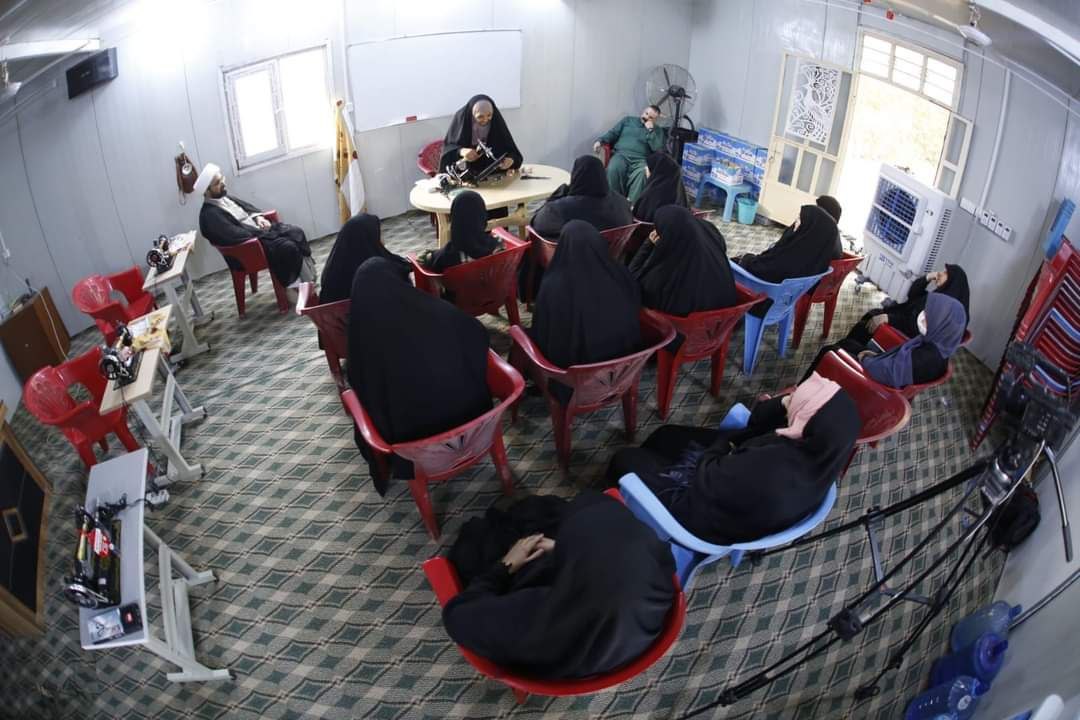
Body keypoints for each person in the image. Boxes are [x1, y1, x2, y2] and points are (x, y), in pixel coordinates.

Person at [442, 491, 676, 680]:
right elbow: (610, 563)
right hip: (614, 643)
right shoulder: (658, 578)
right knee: (553, 513)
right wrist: (567, 549)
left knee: (479, 545)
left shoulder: (533, 620)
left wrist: (505, 566)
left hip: (557, 652)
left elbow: (457, 617)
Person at [606, 373, 860, 545]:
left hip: (698, 513)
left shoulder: (773, 466)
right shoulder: (822, 455)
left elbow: (708, 470)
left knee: (625, 460)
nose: (794, 397)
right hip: (734, 493)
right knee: (667, 435)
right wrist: (784, 403)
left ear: (807, 422)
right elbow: (756, 421)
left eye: (798, 401)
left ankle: (619, 513)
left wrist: (725, 445)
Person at [346, 257, 492, 496]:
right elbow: (478, 335)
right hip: (476, 424)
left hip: (416, 447)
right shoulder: (440, 312)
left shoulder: (362, 349)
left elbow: (367, 397)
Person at [528, 221, 641, 401]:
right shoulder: (620, 274)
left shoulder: (553, 285)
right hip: (624, 369)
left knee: (523, 339)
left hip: (575, 381)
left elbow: (544, 332)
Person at [803, 292, 967, 388]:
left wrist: (865, 358)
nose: (922, 316)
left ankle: (803, 387)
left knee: (829, 351)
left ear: (941, 325)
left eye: (929, 317)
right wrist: (875, 356)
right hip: (885, 368)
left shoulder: (924, 358)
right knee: (848, 344)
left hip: (873, 384)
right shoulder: (939, 347)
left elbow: (885, 373)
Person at [195, 163, 316, 288]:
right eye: (217, 183)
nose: (223, 183)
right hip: (250, 247)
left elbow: (248, 209)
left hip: (260, 233)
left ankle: (309, 278)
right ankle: (296, 286)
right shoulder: (209, 215)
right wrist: (261, 232)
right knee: (288, 247)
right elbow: (234, 235)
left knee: (295, 232)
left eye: (222, 179)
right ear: (207, 191)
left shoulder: (225, 197)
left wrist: (258, 218)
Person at [628, 205, 737, 317]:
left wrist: (648, 245)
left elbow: (630, 279)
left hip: (677, 324)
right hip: (723, 319)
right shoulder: (713, 251)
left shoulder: (662, 276)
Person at [847, 264, 970, 344]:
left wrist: (888, 318)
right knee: (872, 315)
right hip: (903, 322)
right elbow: (913, 294)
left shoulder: (944, 309)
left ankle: (849, 352)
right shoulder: (941, 299)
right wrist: (928, 277)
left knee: (864, 327)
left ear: (953, 282)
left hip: (903, 336)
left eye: (945, 273)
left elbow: (915, 328)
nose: (940, 274)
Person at [529, 155, 633, 239]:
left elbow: (536, 223)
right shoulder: (622, 203)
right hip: (612, 255)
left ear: (575, 176)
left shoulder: (558, 210)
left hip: (572, 257)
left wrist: (558, 195)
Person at [320, 213, 410, 304]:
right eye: (378, 234)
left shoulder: (335, 265)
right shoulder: (374, 269)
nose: (382, 239)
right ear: (368, 237)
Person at [595, 105, 668, 203]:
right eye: (646, 113)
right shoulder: (628, 120)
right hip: (621, 155)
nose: (646, 117)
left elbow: (658, 149)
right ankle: (613, 200)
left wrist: (651, 131)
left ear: (655, 120)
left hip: (641, 160)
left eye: (650, 117)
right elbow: (613, 133)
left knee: (642, 174)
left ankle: (631, 205)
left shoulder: (657, 130)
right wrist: (600, 141)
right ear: (643, 111)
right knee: (613, 168)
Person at [417, 191, 503, 272]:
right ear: (483, 216)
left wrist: (431, 254)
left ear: (455, 220)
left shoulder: (445, 256)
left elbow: (421, 259)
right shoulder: (497, 245)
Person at [439, 94, 522, 176]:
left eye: (489, 115)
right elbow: (447, 150)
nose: (485, 120)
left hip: (493, 175)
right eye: (480, 117)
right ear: (472, 115)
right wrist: (461, 151)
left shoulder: (496, 123)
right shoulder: (462, 119)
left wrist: (511, 160)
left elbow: (513, 152)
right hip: (466, 176)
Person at [632, 151, 689, 223]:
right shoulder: (681, 194)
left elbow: (639, 219)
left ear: (656, 171)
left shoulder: (650, 195)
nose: (645, 169)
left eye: (648, 167)